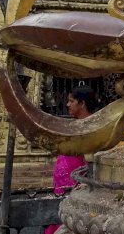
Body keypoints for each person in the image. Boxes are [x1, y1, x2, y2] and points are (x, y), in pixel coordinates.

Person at [46, 86, 99, 234]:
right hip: (62, 188)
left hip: (77, 187)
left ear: (82, 104)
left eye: (71, 101)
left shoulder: (92, 127)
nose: (68, 104)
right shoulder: (74, 125)